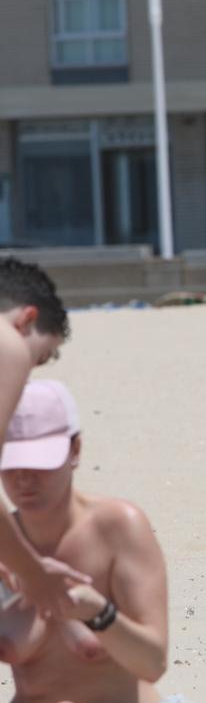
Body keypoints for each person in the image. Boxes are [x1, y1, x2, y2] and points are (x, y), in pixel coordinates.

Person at [0, 379, 170, 703]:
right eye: (11, 464)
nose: (24, 479)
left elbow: (153, 662)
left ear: (75, 450)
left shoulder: (117, 528)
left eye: (39, 463)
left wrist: (99, 614)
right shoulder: (3, 547)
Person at [0, 258, 92, 615]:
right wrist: (32, 571)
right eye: (40, 357)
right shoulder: (9, 345)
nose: (28, 375)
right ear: (27, 319)